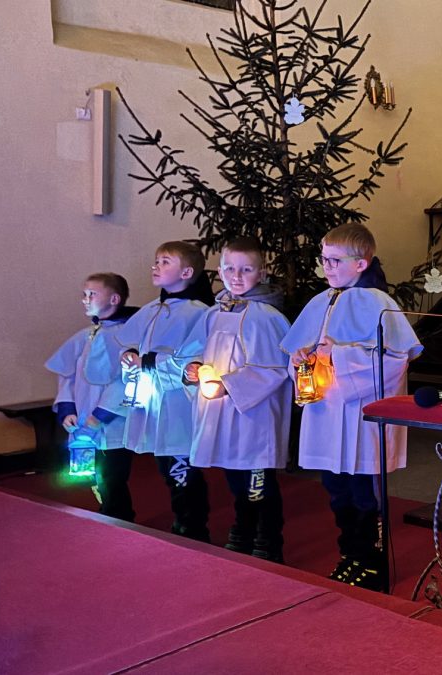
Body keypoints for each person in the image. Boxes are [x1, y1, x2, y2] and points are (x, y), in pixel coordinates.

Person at [281, 223, 423, 591]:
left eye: (335, 260)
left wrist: (338, 356)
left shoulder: (379, 304)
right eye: (323, 259)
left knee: (363, 490)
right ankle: (350, 555)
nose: (326, 267)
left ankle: (371, 563)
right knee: (335, 487)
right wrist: (300, 358)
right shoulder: (320, 302)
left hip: (360, 414)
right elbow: (298, 355)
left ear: (361, 263)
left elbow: (395, 361)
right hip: (326, 412)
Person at [177, 237, 292, 562]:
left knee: (258, 483)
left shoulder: (267, 317)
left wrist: (230, 385)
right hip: (221, 413)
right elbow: (194, 351)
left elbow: (275, 368)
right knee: (234, 477)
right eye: (229, 268)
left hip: (254, 416)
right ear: (219, 271)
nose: (236, 276)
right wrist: (192, 368)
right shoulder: (214, 314)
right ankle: (242, 529)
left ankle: (267, 540)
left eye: (246, 270)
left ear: (262, 272)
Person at [116, 242, 215, 541]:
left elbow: (193, 359)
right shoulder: (151, 310)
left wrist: (149, 362)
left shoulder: (199, 312)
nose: (155, 266)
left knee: (180, 466)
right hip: (154, 398)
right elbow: (131, 343)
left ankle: (192, 528)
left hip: (178, 403)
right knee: (165, 465)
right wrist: (129, 356)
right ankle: (182, 521)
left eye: (165, 262)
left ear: (186, 272)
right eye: (156, 260)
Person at [46, 273, 138, 521]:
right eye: (84, 294)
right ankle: (107, 512)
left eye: (92, 294)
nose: (85, 299)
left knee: (112, 475)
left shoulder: (126, 337)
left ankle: (120, 518)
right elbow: (67, 373)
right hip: (83, 418)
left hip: (113, 422)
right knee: (95, 475)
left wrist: (101, 415)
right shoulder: (86, 335)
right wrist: (67, 408)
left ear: (114, 299)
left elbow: (126, 380)